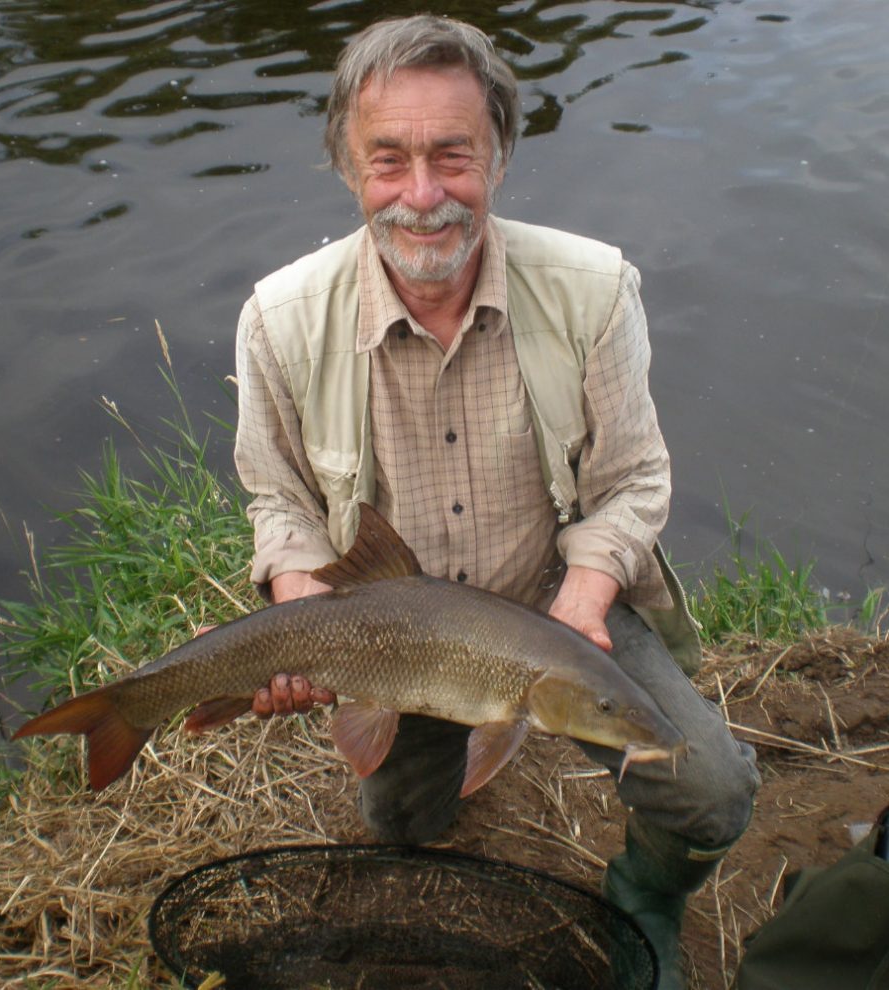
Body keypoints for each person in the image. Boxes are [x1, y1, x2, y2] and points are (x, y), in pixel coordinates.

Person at [233, 15, 759, 989]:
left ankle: (644, 894)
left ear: (501, 157)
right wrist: (298, 606)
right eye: (388, 161)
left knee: (714, 792)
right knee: (401, 824)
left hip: (554, 609)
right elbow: (279, 498)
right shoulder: (278, 322)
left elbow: (636, 479)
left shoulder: (596, 292)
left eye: (452, 156)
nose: (422, 196)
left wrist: (587, 600)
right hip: (390, 624)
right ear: (348, 168)